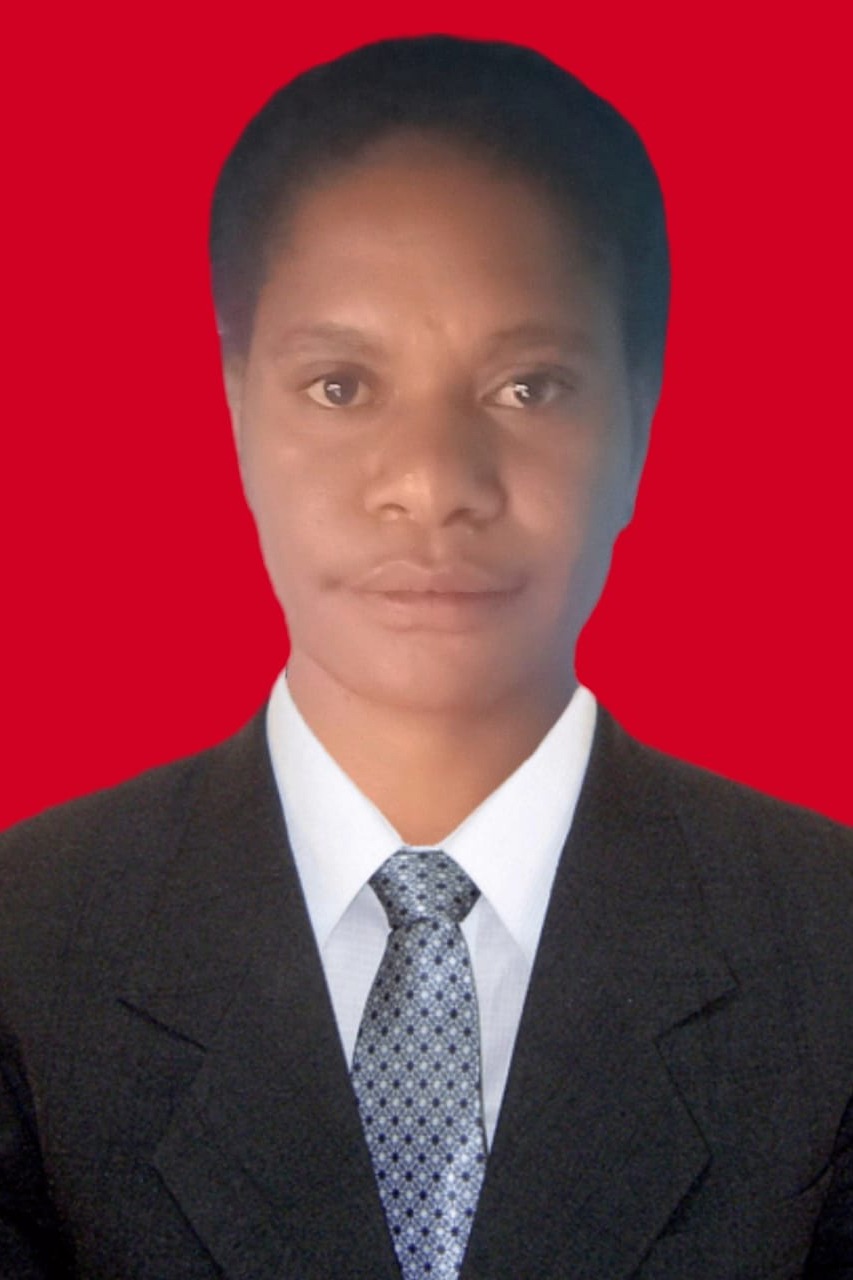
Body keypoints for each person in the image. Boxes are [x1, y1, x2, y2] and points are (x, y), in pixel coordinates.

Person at [1, 33, 851, 1280]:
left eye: (528, 387)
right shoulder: (27, 946)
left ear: (642, 407)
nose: (433, 482)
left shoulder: (828, 948)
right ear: (233, 404)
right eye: (341, 386)